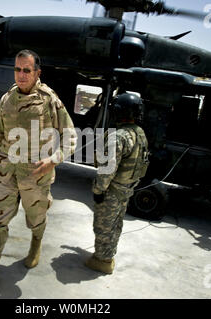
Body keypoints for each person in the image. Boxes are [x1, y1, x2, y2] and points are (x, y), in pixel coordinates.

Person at [0, 49, 77, 299]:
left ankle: (35, 245)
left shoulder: (49, 99)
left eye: (26, 70)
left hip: (36, 177)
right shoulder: (7, 98)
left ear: (37, 72)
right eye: (17, 69)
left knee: (36, 218)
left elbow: (70, 136)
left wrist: (54, 160)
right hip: (6, 173)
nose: (21, 74)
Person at [85, 93, 149, 274]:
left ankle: (102, 261)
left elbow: (107, 169)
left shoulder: (118, 137)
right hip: (127, 189)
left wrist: (98, 190)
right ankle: (108, 255)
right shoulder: (139, 133)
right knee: (116, 225)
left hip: (112, 191)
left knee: (103, 226)